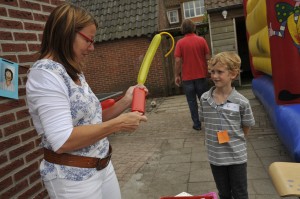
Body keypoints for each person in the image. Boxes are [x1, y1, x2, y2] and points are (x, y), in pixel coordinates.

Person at [26, 3, 147, 199]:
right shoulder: (45, 75)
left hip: (102, 166)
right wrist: (118, 124)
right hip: (73, 179)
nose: (92, 48)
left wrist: (126, 100)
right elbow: (62, 140)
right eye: (89, 40)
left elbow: (93, 118)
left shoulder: (73, 71)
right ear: (66, 33)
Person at [199, 51, 255, 199]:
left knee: (240, 193)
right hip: (215, 157)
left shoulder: (242, 102)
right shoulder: (204, 99)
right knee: (223, 193)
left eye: (220, 72)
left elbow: (246, 126)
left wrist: (235, 140)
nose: (215, 76)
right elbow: (204, 120)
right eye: (212, 72)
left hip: (236, 156)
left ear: (233, 74)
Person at [174, 18, 210, 131]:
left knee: (191, 102)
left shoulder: (180, 43)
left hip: (188, 78)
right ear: (194, 27)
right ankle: (209, 123)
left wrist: (177, 75)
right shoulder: (202, 40)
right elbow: (208, 58)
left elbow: (178, 61)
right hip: (202, 76)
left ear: (183, 29)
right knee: (204, 100)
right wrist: (210, 71)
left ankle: (197, 125)